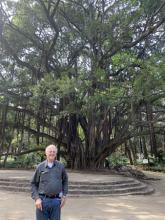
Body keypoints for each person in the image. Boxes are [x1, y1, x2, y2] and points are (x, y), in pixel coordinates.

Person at [31, 144, 68, 220]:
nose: (52, 153)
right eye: (50, 151)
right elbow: (33, 183)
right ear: (46, 153)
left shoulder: (60, 166)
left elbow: (65, 181)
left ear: (56, 154)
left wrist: (64, 195)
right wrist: (37, 198)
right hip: (42, 201)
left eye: (54, 152)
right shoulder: (40, 167)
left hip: (56, 201)